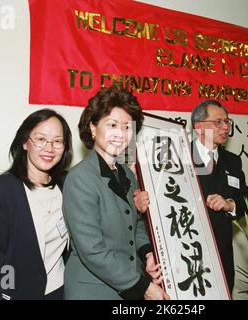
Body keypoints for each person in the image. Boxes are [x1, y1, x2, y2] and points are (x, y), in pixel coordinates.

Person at [62, 85, 169, 300]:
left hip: (127, 283)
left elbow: (135, 223)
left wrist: (147, 253)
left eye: (127, 127)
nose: (120, 134)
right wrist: (143, 287)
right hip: (93, 290)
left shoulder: (127, 175)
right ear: (93, 128)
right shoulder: (80, 178)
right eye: (112, 125)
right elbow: (92, 249)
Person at [0, 109, 73, 300]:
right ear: (25, 142)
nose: (49, 148)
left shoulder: (68, 184)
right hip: (18, 293)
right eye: (41, 139)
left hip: (61, 290)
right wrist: (3, 294)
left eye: (57, 141)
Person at [190, 99, 248, 295]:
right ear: (199, 127)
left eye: (227, 122)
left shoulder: (232, 161)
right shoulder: (179, 156)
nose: (225, 127)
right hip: (188, 253)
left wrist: (230, 204)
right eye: (218, 122)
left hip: (222, 254)